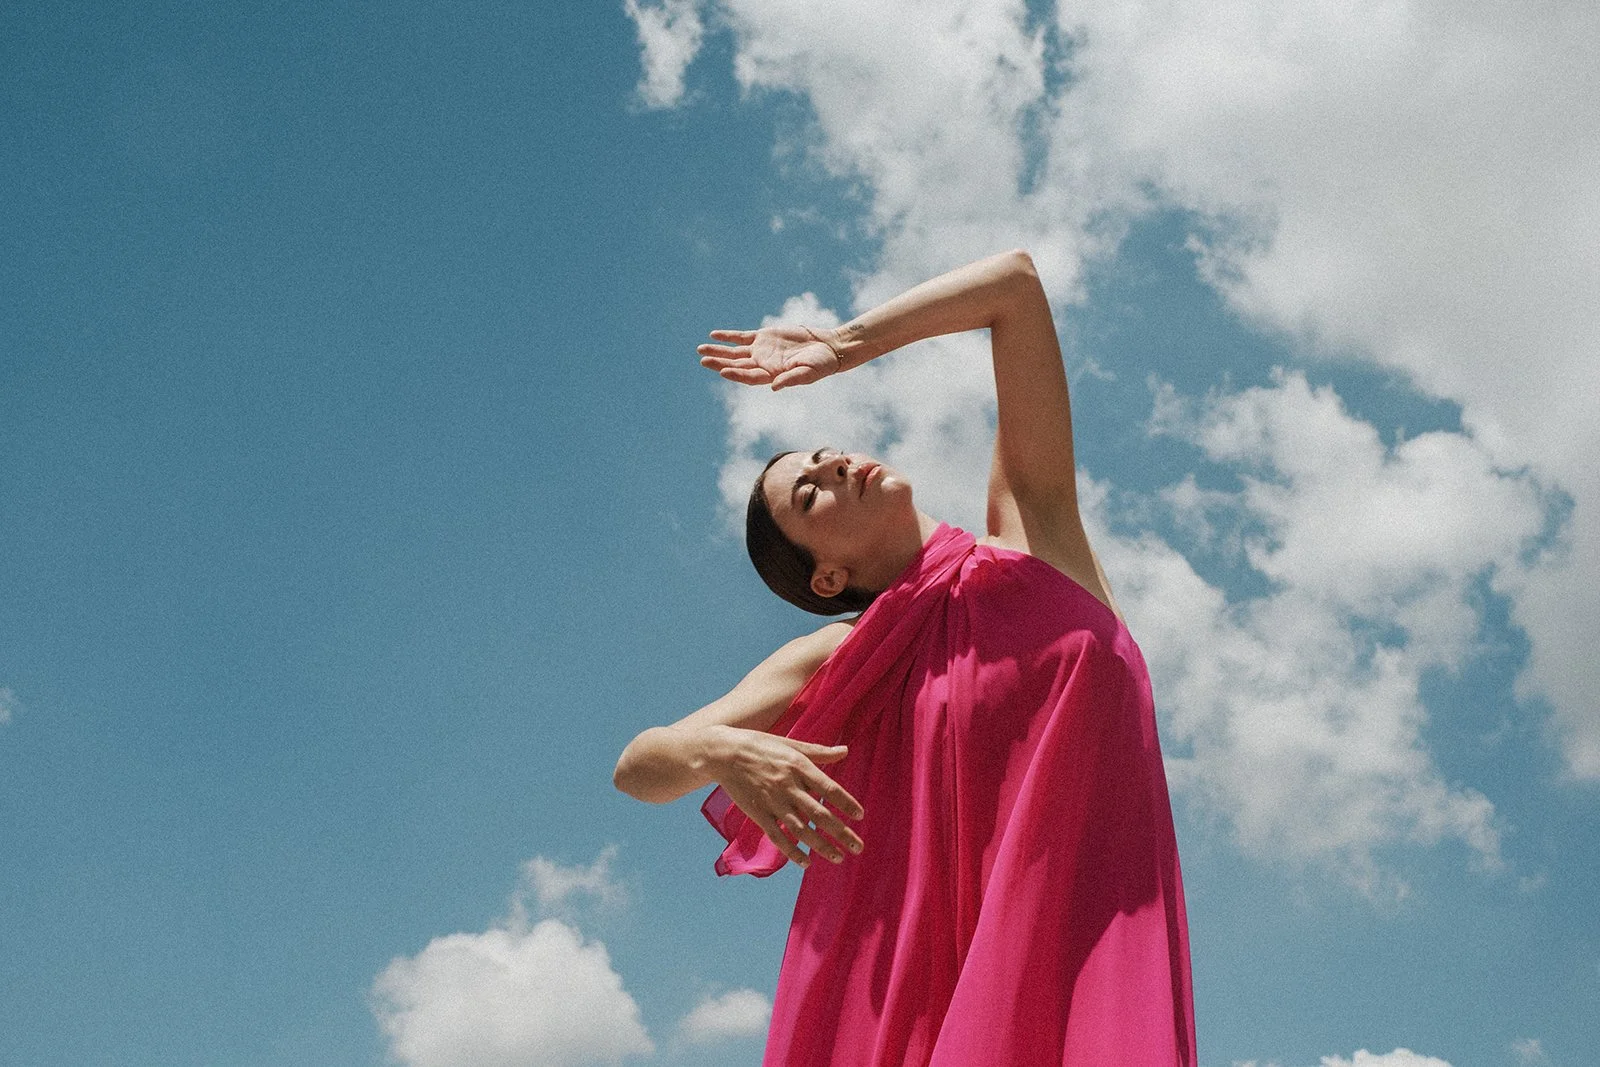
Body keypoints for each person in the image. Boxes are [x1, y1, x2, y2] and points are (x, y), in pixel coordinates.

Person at [614, 250, 1196, 1065]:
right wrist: (717, 746)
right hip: (924, 1022)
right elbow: (640, 766)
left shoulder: (1036, 530)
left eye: (821, 454)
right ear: (827, 575)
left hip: (1100, 979)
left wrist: (843, 347)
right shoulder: (844, 654)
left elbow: (1015, 288)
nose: (835, 464)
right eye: (810, 493)